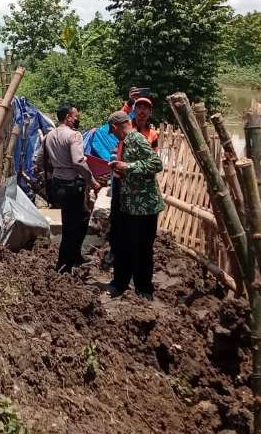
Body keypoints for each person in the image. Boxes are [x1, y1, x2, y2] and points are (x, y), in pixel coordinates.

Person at [106, 111, 164, 300]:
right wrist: (120, 167)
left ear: (115, 127)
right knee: (125, 245)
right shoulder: (127, 141)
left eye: (112, 131)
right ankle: (120, 284)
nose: (113, 135)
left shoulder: (136, 138)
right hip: (130, 204)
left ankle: (144, 289)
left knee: (142, 248)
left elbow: (156, 164)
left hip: (145, 206)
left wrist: (127, 167)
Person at [33, 104, 98, 272]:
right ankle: (63, 264)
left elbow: (39, 161)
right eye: (76, 115)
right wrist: (91, 180)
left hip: (57, 185)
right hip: (72, 185)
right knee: (72, 225)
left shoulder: (49, 136)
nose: (77, 118)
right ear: (68, 117)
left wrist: (53, 170)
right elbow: (78, 161)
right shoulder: (74, 135)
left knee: (81, 218)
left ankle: (75, 256)